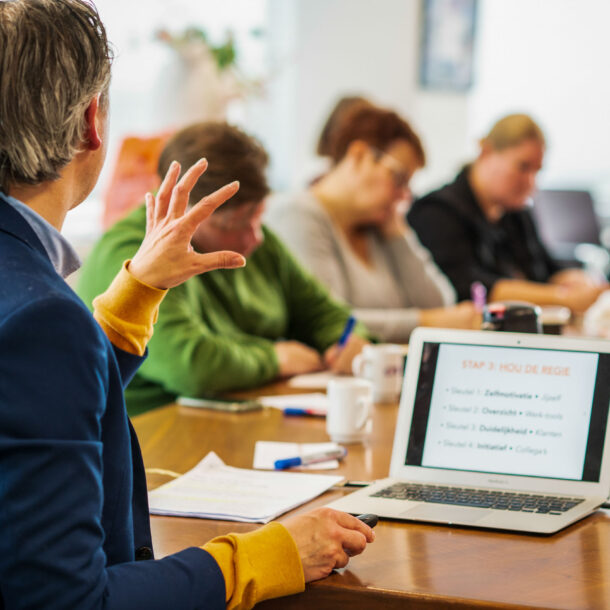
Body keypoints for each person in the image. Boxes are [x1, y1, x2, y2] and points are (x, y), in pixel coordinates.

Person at [0, 2, 374, 609]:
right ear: (91, 123)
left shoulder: (37, 316)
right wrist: (268, 555)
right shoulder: (43, 319)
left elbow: (33, 399)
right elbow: (65, 602)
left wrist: (133, 297)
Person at [78, 121, 369, 415]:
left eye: (257, 216)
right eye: (235, 223)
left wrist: (347, 342)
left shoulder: (260, 245)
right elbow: (190, 366)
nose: (254, 236)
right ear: (183, 207)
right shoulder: (135, 253)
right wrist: (274, 359)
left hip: (241, 415)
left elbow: (324, 313)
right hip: (157, 430)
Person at [266, 103, 479, 342]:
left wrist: (398, 235)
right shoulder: (297, 215)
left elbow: (440, 303)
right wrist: (425, 323)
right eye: (399, 178)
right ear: (358, 155)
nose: (404, 195)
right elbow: (323, 321)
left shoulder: (376, 227)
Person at [408, 113, 608, 311]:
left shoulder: (516, 212)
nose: (531, 182)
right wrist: (562, 299)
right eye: (523, 167)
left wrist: (574, 280)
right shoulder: (437, 212)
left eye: (537, 171)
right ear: (486, 152)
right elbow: (470, 287)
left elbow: (545, 269)